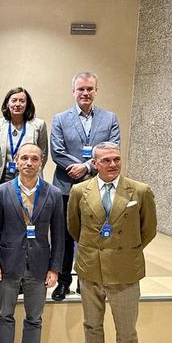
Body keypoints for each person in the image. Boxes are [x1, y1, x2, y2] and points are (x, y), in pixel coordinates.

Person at [67, 141, 157, 343]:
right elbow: (75, 227)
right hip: (90, 268)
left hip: (125, 270)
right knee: (92, 324)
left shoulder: (139, 191)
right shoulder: (79, 191)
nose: (113, 164)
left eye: (116, 159)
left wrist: (125, 251)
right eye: (106, 160)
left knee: (126, 329)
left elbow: (147, 229)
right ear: (94, 164)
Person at [0, 143, 64, 343]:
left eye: (34, 158)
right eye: (24, 158)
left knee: (34, 317)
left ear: (41, 162)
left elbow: (59, 234)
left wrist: (55, 268)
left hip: (40, 265)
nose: (29, 163)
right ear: (16, 161)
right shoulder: (1, 192)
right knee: (5, 314)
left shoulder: (52, 194)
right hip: (9, 263)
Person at [51, 71, 120, 301]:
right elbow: (57, 152)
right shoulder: (60, 119)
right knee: (65, 236)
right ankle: (63, 281)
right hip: (66, 187)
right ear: (74, 92)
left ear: (96, 91)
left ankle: (86, 281)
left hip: (97, 187)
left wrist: (87, 168)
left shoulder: (109, 119)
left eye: (90, 89)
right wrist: (80, 166)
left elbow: (113, 150)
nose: (85, 93)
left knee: (92, 236)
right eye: (81, 89)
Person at [0, 87, 48, 191]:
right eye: (14, 100)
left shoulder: (39, 125)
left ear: (27, 104)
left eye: (22, 101)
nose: (17, 104)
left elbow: (43, 154)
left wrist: (32, 169)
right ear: (7, 103)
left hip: (29, 175)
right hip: (4, 176)